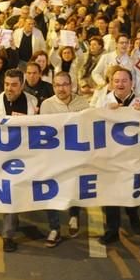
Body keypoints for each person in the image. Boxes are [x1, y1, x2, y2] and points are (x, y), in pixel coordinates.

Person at [90, 66, 140, 243]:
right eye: (116, 81)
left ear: (132, 83)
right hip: (109, 157)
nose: (120, 84)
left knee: (131, 191)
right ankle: (112, 230)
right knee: (110, 194)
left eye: (124, 80)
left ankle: (133, 215)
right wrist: (104, 113)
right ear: (111, 83)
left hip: (134, 157)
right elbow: (89, 120)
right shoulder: (102, 101)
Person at [0, 68, 38, 253]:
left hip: (22, 157)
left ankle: (12, 227)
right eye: (7, 84)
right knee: (9, 194)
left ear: (22, 85)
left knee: (17, 193)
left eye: (14, 85)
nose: (9, 88)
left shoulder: (32, 102)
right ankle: (8, 235)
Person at [39, 71, 90, 245]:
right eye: (57, 85)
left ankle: (74, 215)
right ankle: (54, 228)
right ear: (53, 87)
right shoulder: (46, 105)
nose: (61, 88)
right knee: (50, 191)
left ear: (71, 85)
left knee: (74, 187)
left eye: (64, 84)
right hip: (53, 157)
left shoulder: (83, 103)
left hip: (76, 155)